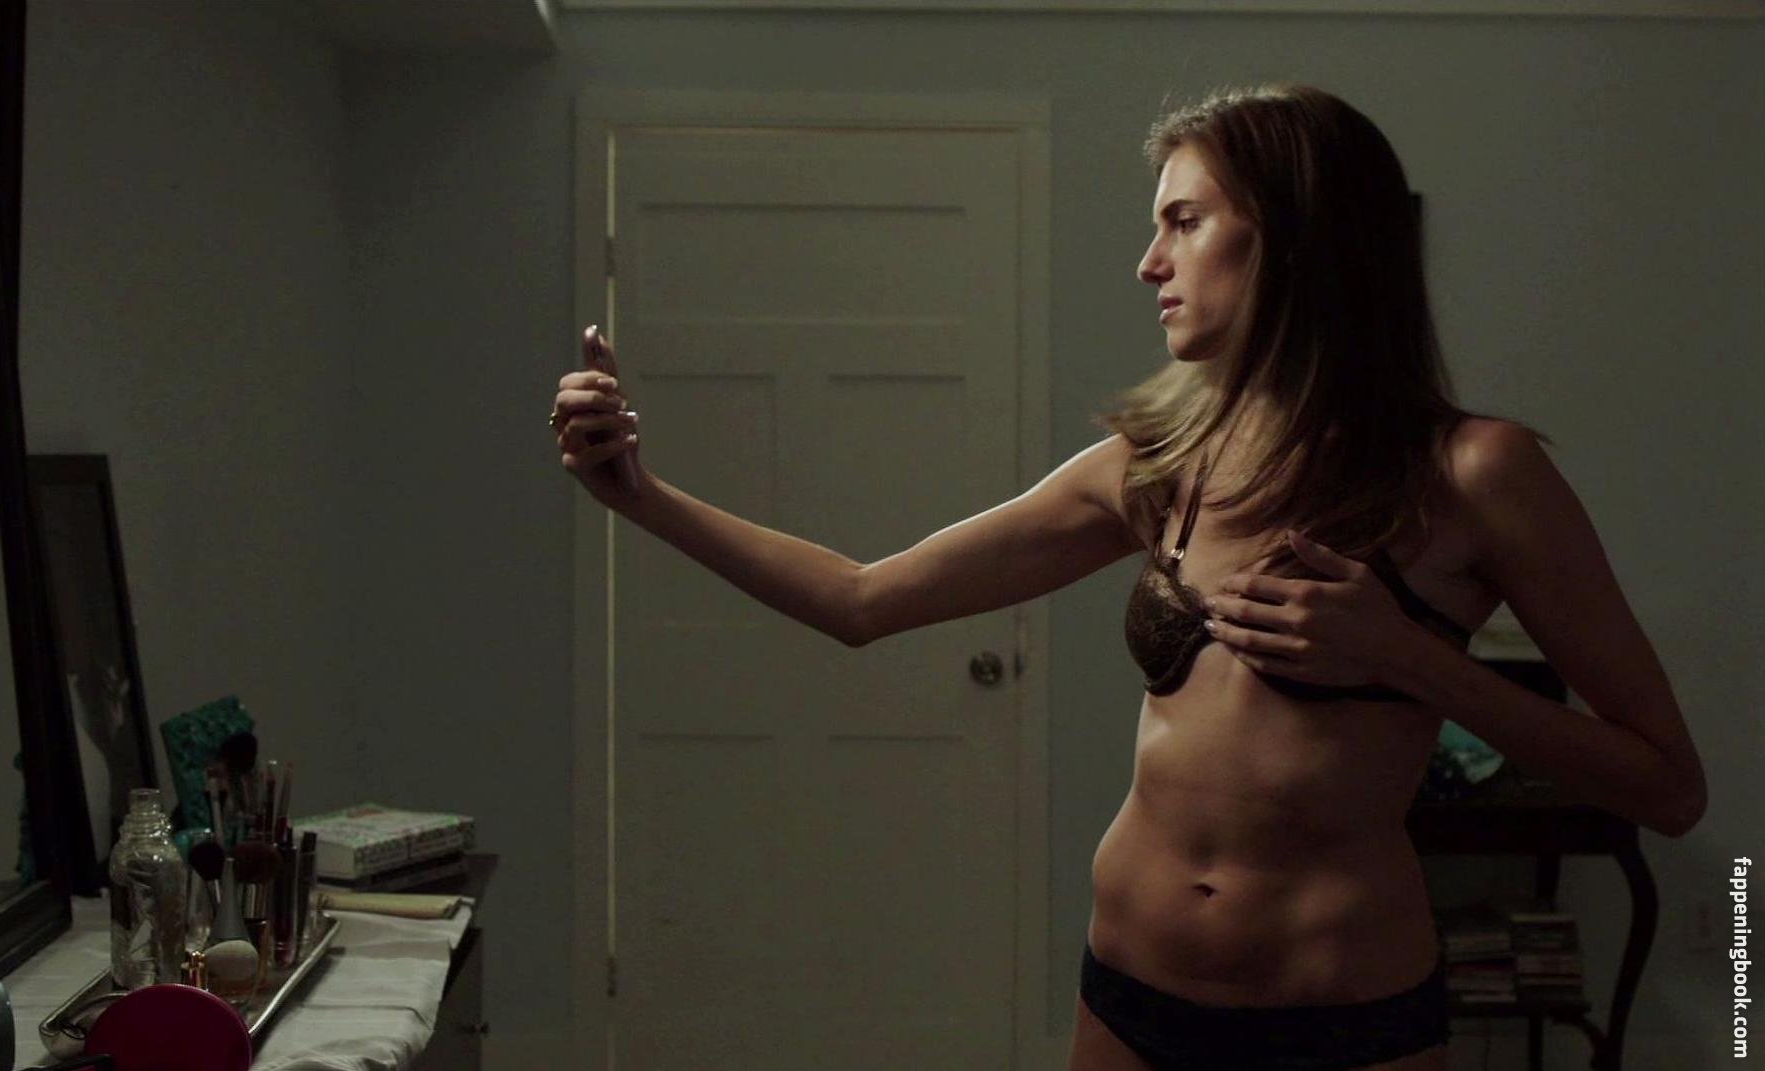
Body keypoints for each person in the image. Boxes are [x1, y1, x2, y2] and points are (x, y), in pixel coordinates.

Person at [547, 83, 1708, 1071]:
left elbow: (1667, 786)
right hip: (1129, 994)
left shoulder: (1476, 474)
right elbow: (862, 600)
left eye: (1184, 221)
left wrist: (1412, 661)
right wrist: (639, 497)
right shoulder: (1153, 469)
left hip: (1344, 1014)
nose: (1149, 262)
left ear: (1294, 235)